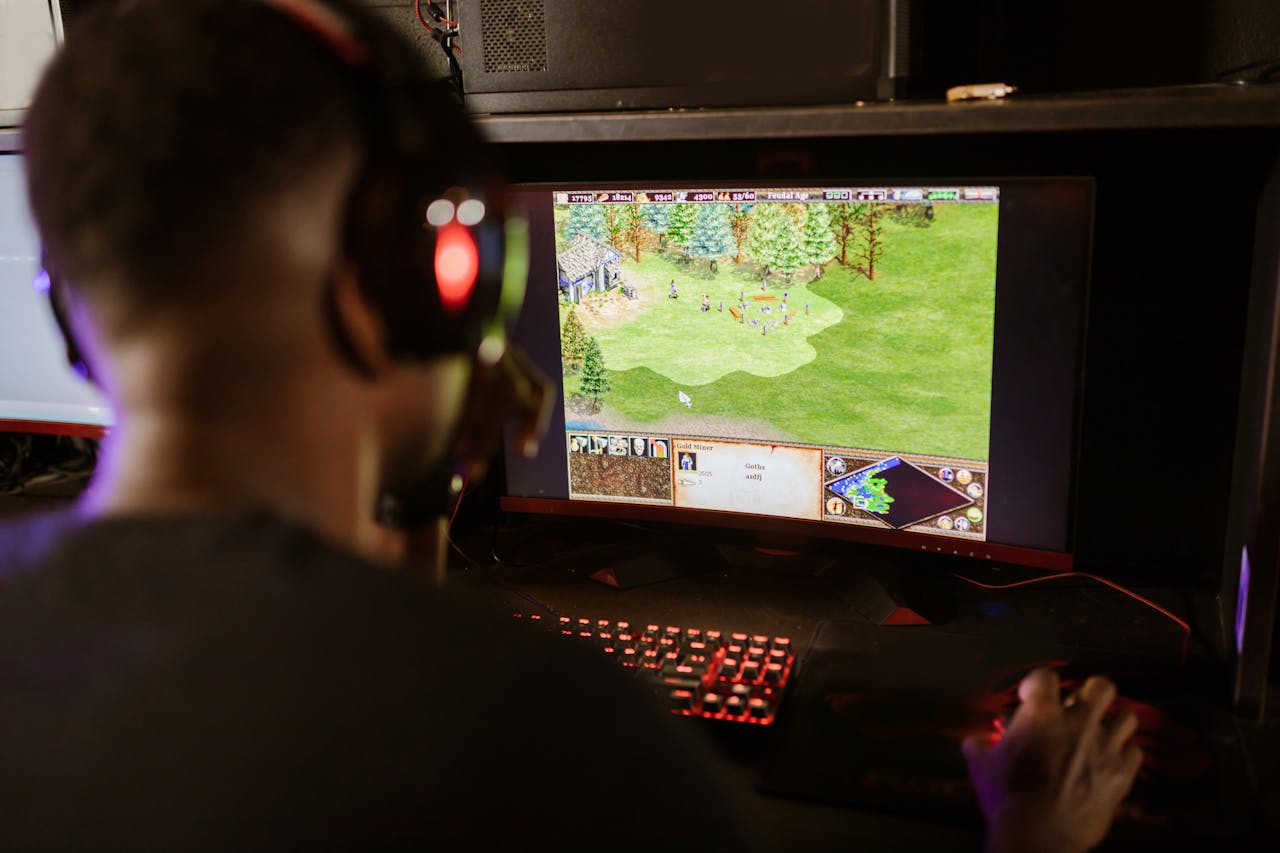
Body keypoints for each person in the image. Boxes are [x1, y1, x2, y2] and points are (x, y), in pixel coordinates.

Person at [0, 1, 1140, 850]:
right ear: (414, 280)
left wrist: (417, 491)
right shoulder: (551, 742)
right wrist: (1030, 838)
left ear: (66, 308)